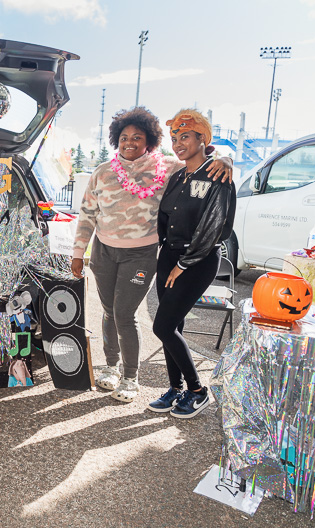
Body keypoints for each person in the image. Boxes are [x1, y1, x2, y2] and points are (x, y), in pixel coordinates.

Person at [71, 107, 231, 403]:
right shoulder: (102, 172)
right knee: (108, 312)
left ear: (150, 142)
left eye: (137, 137)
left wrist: (223, 157)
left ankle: (131, 377)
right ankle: (112, 367)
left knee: (124, 313)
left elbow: (200, 158)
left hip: (141, 254)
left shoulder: (168, 167)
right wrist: (79, 251)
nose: (129, 142)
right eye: (123, 137)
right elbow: (86, 214)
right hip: (104, 252)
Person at [148, 109, 236, 418]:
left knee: (162, 326)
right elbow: (165, 218)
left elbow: (213, 228)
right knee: (175, 325)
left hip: (196, 260)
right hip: (169, 256)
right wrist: (164, 256)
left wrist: (183, 264)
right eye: (174, 138)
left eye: (185, 136)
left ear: (203, 139)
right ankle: (176, 389)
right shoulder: (178, 176)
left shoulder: (218, 175)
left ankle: (198, 391)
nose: (178, 143)